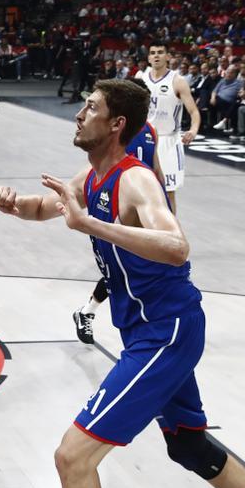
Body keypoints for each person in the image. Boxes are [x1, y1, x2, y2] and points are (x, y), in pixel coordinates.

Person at [0, 79, 245, 488]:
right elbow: (44, 207)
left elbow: (177, 248)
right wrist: (12, 204)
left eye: (91, 107)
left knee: (73, 457)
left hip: (167, 330)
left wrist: (90, 225)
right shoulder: (91, 177)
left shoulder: (137, 181)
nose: (80, 114)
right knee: (188, 446)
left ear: (117, 124)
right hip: (145, 329)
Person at [73, 78, 164, 345]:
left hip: (143, 207)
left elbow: (156, 170)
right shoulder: (112, 133)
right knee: (120, 272)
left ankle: (87, 311)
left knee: (128, 274)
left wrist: (167, 209)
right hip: (118, 205)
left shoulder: (150, 132)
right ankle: (88, 311)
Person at [135, 42, 201, 210]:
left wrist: (193, 131)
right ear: (149, 57)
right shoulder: (140, 78)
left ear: (168, 56)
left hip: (168, 142)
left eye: (160, 52)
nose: (156, 55)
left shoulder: (178, 81)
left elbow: (193, 111)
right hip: (143, 139)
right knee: (137, 189)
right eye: (153, 52)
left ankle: (169, 233)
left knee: (168, 192)